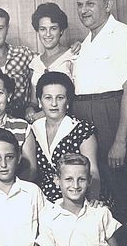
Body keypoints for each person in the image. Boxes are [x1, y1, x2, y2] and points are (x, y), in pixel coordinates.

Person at [72, 0, 127, 222]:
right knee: (93, 186)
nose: (83, 10)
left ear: (108, 5)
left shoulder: (123, 35)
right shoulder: (86, 42)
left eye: (90, 4)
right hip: (86, 118)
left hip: (112, 118)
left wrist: (121, 141)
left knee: (117, 190)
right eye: (80, 5)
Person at [32, 71, 100, 203]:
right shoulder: (33, 129)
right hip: (43, 197)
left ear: (68, 101)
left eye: (60, 98)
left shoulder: (82, 129)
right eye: (48, 98)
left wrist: (93, 199)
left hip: (78, 195)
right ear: (40, 101)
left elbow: (93, 171)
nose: (53, 104)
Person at [26, 2, 77, 123]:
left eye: (53, 28)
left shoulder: (72, 56)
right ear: (37, 31)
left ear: (61, 30)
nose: (47, 34)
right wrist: (29, 109)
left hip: (66, 122)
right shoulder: (35, 62)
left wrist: (43, 113)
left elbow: (76, 99)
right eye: (43, 29)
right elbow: (34, 101)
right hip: (41, 125)